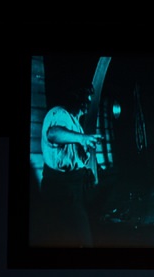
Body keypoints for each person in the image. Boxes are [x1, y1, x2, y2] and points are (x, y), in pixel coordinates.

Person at [38, 82, 104, 247]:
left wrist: (85, 169)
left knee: (79, 234)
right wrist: (82, 138)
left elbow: (74, 155)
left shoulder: (75, 122)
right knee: (75, 236)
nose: (88, 105)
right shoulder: (59, 113)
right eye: (86, 101)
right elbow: (53, 133)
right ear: (78, 99)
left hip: (73, 186)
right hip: (60, 187)